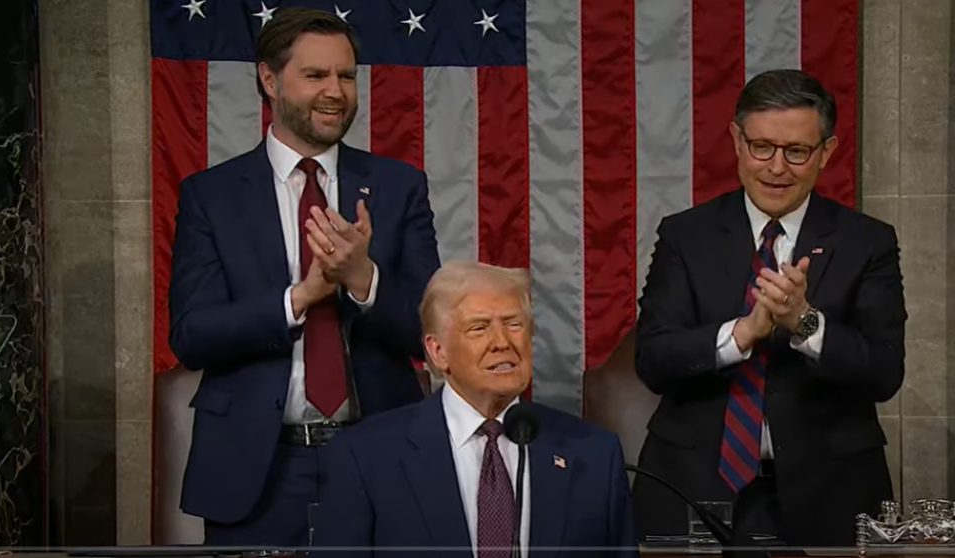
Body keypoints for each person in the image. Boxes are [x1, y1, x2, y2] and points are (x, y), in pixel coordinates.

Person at [167, 7, 441, 547]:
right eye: (315, 75)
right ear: (269, 80)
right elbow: (192, 335)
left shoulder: (397, 186)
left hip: (379, 453)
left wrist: (364, 280)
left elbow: (430, 334)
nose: (335, 91)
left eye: (345, 75)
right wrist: (300, 298)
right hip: (258, 469)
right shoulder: (212, 195)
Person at [632, 69, 905, 547]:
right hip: (693, 485)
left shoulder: (868, 242)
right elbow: (654, 360)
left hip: (831, 491)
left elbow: (884, 373)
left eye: (797, 151)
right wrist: (742, 332)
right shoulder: (685, 236)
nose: (776, 167)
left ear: (827, 152)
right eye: (762, 146)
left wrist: (806, 323)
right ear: (737, 141)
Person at [310, 261, 639, 558]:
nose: (501, 342)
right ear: (438, 352)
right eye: (479, 328)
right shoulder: (365, 457)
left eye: (514, 324)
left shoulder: (593, 454)